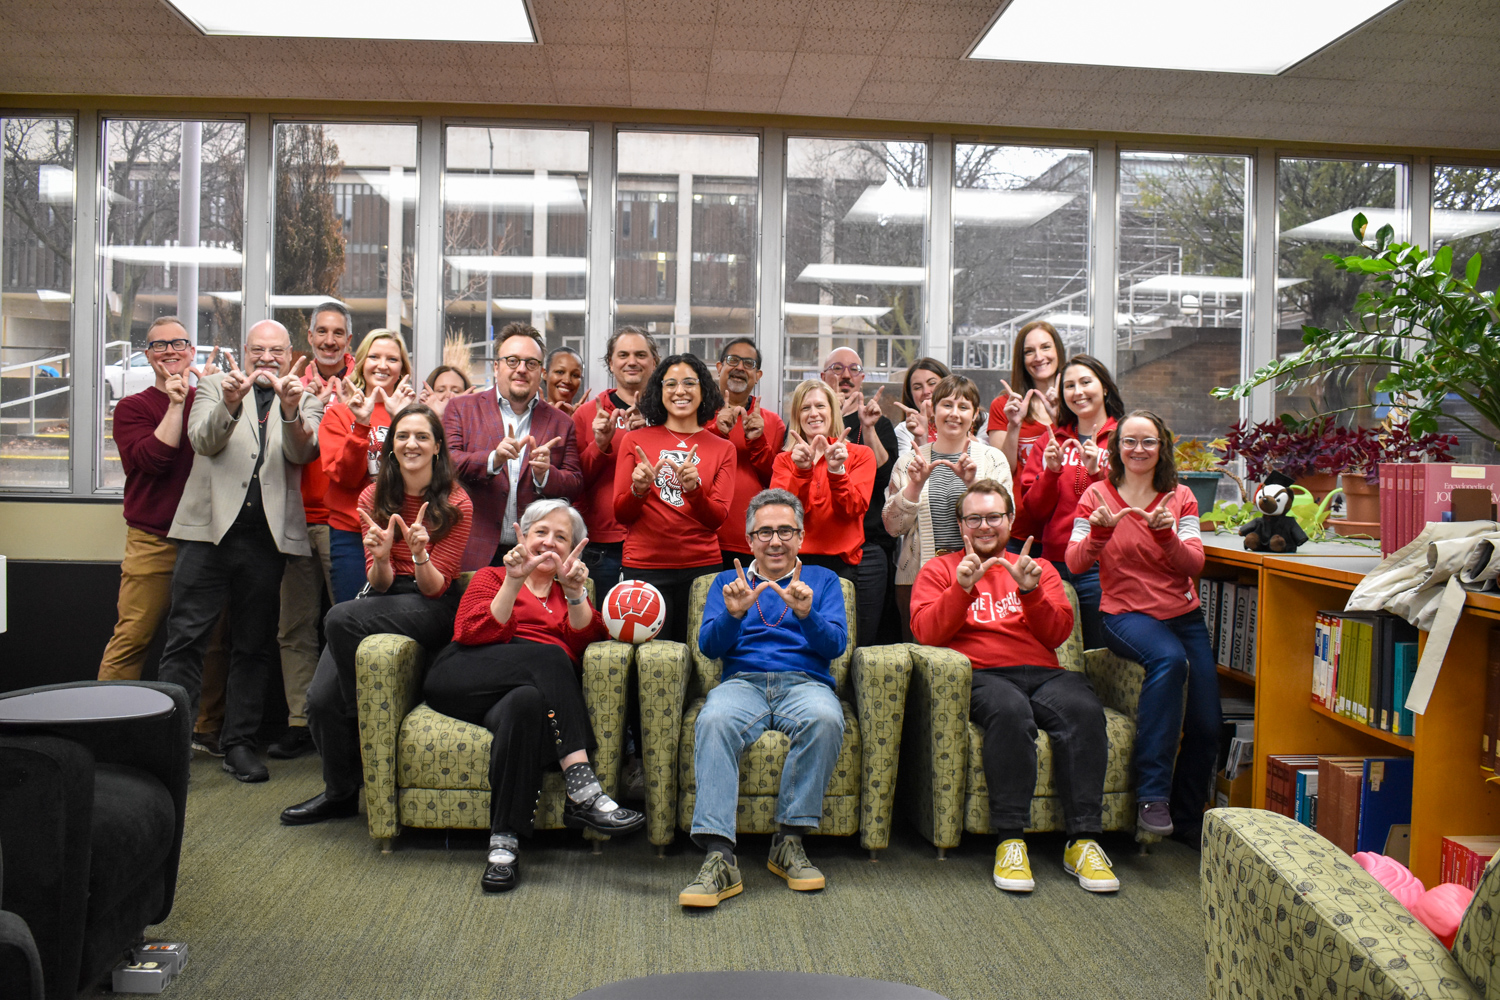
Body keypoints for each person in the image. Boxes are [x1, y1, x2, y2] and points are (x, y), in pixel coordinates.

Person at [419, 498, 645, 892]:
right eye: (541, 532)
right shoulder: (492, 576)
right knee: (549, 658)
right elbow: (471, 633)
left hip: (518, 695)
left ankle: (503, 846)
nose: (550, 542)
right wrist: (514, 580)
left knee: (527, 702)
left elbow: (585, 646)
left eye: (562, 537)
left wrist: (576, 594)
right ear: (522, 535)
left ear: (572, 548)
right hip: (464, 675)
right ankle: (583, 788)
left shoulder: (570, 593)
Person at [910, 479, 1118, 894]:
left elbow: (1058, 633)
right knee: (1010, 713)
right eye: (974, 518)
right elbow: (925, 633)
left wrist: (1031, 590)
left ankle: (1083, 841)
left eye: (993, 517)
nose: (984, 526)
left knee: (1082, 710)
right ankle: (1010, 840)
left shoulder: (1036, 568)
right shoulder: (939, 569)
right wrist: (961, 589)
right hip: (983, 675)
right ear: (961, 524)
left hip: (1044, 672)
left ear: (1010, 521)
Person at [282, 404, 473, 826]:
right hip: (383, 596)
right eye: (403, 436)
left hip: (433, 602)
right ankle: (341, 793)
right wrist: (384, 556)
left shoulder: (457, 501)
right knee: (319, 701)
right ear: (390, 447)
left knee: (338, 618)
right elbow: (380, 582)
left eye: (423, 436)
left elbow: (436, 587)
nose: (412, 444)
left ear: (438, 447)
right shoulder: (373, 496)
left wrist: (420, 553)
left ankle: (363, 716)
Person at [157, 320, 323, 783]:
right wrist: (230, 403)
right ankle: (170, 744)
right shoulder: (212, 386)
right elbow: (203, 441)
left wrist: (291, 411)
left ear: (289, 355)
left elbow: (301, 455)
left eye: (276, 351)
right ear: (244, 352)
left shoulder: (305, 396)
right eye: (258, 350)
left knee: (253, 645)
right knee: (186, 639)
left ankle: (239, 744)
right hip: (207, 533)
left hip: (265, 541)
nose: (266, 358)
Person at [678, 489, 848, 908]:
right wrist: (733, 614)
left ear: (801, 536)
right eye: (765, 532)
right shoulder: (726, 582)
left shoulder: (824, 581)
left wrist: (808, 617)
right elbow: (709, 648)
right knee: (714, 720)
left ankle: (788, 841)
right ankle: (719, 856)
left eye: (785, 531)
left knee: (826, 718)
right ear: (750, 539)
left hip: (805, 683)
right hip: (743, 682)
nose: (776, 541)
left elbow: (836, 646)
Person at [1066, 409, 1218, 842]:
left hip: (1184, 616)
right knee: (1168, 660)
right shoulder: (1095, 495)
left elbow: (1195, 564)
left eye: (1147, 442)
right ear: (1116, 448)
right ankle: (1153, 796)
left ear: (1161, 448)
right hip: (1124, 615)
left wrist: (1168, 535)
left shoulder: (1181, 497)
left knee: (1208, 725)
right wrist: (1097, 534)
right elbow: (1076, 563)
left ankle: (1187, 825)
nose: (1137, 449)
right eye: (1129, 441)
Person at [97, 317, 229, 750]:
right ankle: (104, 726)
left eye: (180, 343)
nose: (170, 351)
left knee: (210, 640)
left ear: (192, 351)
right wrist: (175, 404)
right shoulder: (133, 408)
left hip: (206, 539)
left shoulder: (207, 398)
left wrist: (214, 399)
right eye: (159, 346)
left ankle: (203, 729)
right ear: (147, 354)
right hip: (153, 538)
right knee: (134, 633)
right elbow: (153, 461)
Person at [273, 300, 354, 759]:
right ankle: (301, 720)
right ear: (309, 335)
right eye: (321, 331)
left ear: (348, 339)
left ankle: (343, 719)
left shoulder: (361, 384)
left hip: (340, 524)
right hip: (291, 518)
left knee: (345, 624)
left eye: (337, 333)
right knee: (295, 626)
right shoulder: (291, 380)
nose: (328, 340)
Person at [613, 353, 736, 644]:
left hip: (702, 567)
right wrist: (639, 490)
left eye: (689, 383)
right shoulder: (634, 440)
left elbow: (717, 518)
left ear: (704, 391)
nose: (680, 391)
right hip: (644, 566)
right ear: (659, 391)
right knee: (651, 661)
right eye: (670, 384)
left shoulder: (723, 448)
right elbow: (621, 514)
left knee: (702, 657)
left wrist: (694, 490)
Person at [444, 322, 583, 571]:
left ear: (540, 371)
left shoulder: (562, 423)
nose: (521, 369)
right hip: (473, 550)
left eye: (530, 363)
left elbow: (574, 484)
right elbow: (447, 464)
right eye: (512, 361)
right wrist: (492, 460)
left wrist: (545, 475)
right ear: (496, 367)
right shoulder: (461, 408)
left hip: (534, 556)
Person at [884, 374, 1011, 639]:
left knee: (977, 657)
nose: (954, 414)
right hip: (916, 580)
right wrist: (914, 486)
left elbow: (1008, 523)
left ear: (975, 415)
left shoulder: (993, 459)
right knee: (923, 659)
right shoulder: (909, 462)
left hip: (982, 578)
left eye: (963, 407)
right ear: (933, 410)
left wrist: (973, 484)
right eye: (947, 405)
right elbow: (893, 528)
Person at [1011, 354, 1124, 651]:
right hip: (1054, 566)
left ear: (1105, 388)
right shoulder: (1050, 441)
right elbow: (1033, 511)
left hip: (1102, 567)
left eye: (1086, 382)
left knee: (1100, 652)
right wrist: (1051, 471)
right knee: (1056, 652)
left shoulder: (1125, 439)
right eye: (1069, 386)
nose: (1078, 392)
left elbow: (1129, 505)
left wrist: (1099, 470)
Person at [320, 328, 417, 603]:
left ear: (402, 368)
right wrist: (361, 426)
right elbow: (346, 478)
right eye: (374, 356)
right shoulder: (339, 413)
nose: (383, 365)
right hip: (352, 534)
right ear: (362, 363)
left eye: (392, 359)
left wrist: (403, 421)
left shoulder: (414, 416)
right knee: (351, 615)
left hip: (402, 532)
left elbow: (423, 474)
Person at [820, 346, 898, 645]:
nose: (846, 376)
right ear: (823, 376)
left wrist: (868, 427)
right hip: (822, 547)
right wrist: (833, 417)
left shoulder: (880, 422)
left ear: (862, 378)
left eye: (854, 369)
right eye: (837, 368)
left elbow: (884, 477)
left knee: (864, 639)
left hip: (868, 546)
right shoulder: (811, 420)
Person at [572, 327, 658, 592]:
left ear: (654, 361)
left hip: (656, 543)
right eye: (623, 355)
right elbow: (574, 483)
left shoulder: (671, 414)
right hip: (601, 547)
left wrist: (652, 430)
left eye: (640, 354)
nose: (631, 361)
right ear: (611, 362)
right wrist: (600, 444)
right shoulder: (587, 415)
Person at [772, 379, 874, 585]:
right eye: (805, 408)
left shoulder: (861, 455)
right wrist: (801, 472)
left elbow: (852, 509)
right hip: (793, 563)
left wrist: (837, 471)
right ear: (797, 416)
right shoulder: (784, 460)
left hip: (842, 566)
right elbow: (784, 517)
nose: (813, 413)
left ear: (832, 412)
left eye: (820, 406)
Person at [707, 337, 786, 567]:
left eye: (749, 363)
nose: (740, 368)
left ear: (757, 375)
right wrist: (716, 432)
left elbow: (775, 483)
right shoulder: (697, 414)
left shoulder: (773, 422)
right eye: (733, 360)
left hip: (754, 540)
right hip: (704, 540)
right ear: (719, 367)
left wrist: (757, 441)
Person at [987, 321, 1065, 491]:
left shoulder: (1075, 402)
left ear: (1058, 351)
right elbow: (1002, 470)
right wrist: (1014, 425)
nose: (1038, 357)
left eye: (1045, 347)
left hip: (1064, 512)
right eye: (1029, 351)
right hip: (1019, 512)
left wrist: (1062, 418)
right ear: (1021, 360)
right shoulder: (1004, 406)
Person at [891, 357, 951, 459]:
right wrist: (920, 438)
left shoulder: (979, 419)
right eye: (917, 387)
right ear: (910, 395)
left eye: (932, 383)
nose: (926, 391)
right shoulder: (904, 430)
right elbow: (906, 471)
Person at [544, 346, 585, 414]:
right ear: (545, 374)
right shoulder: (530, 414)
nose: (567, 380)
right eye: (560, 372)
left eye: (575, 375)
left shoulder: (586, 419)